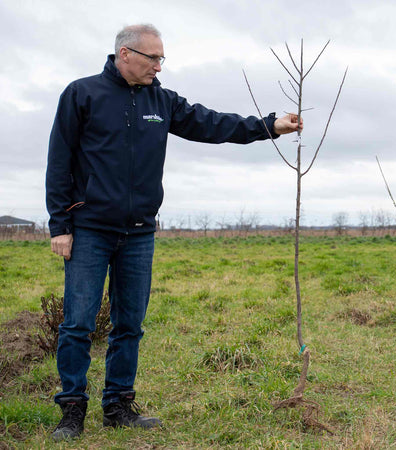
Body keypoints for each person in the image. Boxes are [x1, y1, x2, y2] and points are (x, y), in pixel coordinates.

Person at [46, 23, 302, 441]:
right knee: (77, 323)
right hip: (89, 229)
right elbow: (58, 160)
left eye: (162, 58)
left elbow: (212, 124)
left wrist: (269, 125)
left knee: (130, 324)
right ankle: (72, 409)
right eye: (153, 58)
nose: (159, 66)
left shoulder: (161, 100)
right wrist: (60, 225)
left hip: (139, 233)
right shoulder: (82, 94)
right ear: (124, 54)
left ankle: (118, 407)